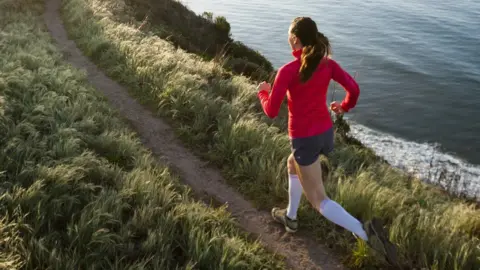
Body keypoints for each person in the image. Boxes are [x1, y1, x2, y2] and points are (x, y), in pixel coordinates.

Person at [257, 17, 398, 265]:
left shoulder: (288, 71)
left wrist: (263, 91)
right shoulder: (328, 65)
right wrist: (344, 107)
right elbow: (353, 89)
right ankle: (290, 217)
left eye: (289, 34)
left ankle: (367, 234)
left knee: (319, 200)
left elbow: (270, 111)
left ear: (295, 39)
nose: (288, 37)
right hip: (325, 134)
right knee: (293, 164)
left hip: (305, 139)